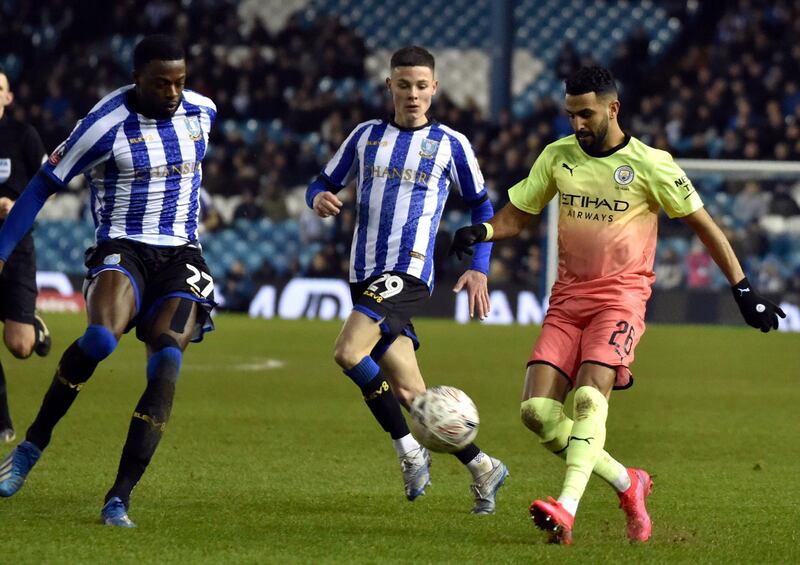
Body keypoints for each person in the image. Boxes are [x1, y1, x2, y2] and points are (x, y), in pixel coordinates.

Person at [450, 66, 785, 543]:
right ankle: (630, 484)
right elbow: (518, 216)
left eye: (586, 114)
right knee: (537, 414)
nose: (578, 125)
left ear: (613, 108)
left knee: (588, 399)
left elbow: (705, 225)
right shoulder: (558, 156)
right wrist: (482, 231)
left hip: (621, 300)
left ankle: (565, 509)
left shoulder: (651, 164)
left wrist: (743, 289)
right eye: (570, 115)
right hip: (566, 301)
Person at [0, 35, 218, 528]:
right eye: (161, 83)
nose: (173, 92)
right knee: (99, 339)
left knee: (166, 360)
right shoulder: (103, 126)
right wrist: (1, 252)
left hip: (182, 255)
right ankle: (33, 445)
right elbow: (41, 186)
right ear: (136, 78)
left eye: (179, 81)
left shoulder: (203, 113)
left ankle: (119, 496)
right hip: (122, 247)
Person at [305, 46, 508, 514]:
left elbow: (481, 207)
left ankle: (408, 451)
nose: (413, 94)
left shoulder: (451, 144)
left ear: (434, 88)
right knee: (412, 394)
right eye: (403, 84)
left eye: (421, 86)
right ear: (390, 86)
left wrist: (479, 265)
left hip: (408, 271)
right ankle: (483, 467)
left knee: (347, 351)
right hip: (364, 272)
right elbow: (321, 181)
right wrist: (318, 199)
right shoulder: (365, 137)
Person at [0, 67, 53, 444]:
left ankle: (29, 321)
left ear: (8, 97)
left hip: (15, 243)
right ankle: (2, 420)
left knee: (19, 346)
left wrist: (14, 206)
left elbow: (48, 184)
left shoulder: (23, 136)